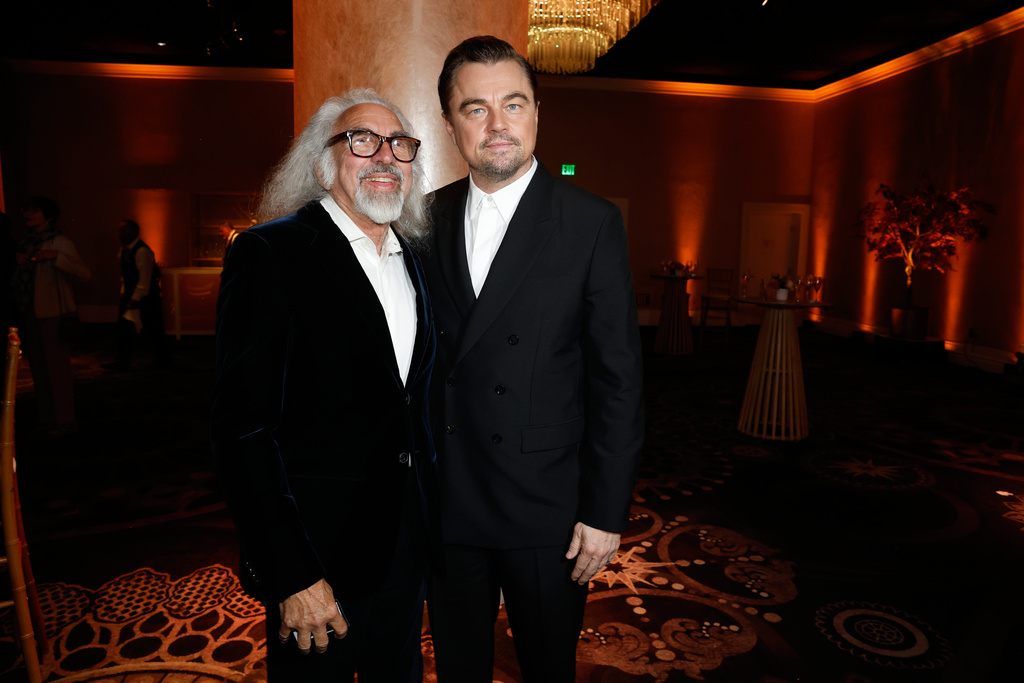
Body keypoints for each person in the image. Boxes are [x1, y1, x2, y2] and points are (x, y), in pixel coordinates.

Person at [423, 36, 645, 681]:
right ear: (449, 124)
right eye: (475, 108)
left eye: (513, 104)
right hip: (451, 500)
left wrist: (605, 513)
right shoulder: (424, 218)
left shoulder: (590, 222)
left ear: (537, 112)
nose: (498, 125)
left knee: (549, 666)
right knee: (459, 667)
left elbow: (618, 382)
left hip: (548, 508)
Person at [210, 88, 438, 683]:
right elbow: (242, 431)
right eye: (362, 140)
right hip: (318, 559)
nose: (385, 156)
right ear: (322, 164)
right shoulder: (271, 253)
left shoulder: (415, 260)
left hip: (405, 541)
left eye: (400, 145)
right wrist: (290, 574)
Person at [12, 196, 92, 439]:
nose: (27, 214)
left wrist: (55, 257)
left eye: (34, 211)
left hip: (53, 314)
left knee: (56, 369)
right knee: (39, 369)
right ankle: (48, 418)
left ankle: (66, 419)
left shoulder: (59, 241)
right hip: (30, 313)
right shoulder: (27, 242)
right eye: (26, 210)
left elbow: (84, 273)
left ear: (48, 216)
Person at [107, 219, 170, 370]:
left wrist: (135, 298)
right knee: (126, 328)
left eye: (124, 230)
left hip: (147, 298)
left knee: (154, 330)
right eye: (119, 230)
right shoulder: (123, 251)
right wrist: (124, 293)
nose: (120, 234)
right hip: (132, 295)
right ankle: (122, 360)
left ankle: (163, 361)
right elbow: (126, 275)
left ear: (134, 232)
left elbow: (145, 277)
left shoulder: (142, 251)